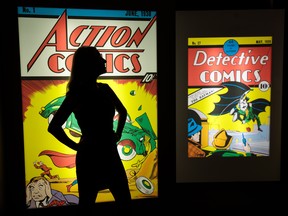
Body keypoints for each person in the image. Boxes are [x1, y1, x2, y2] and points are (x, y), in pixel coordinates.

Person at [48, 46, 131, 207]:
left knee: (89, 203)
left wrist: (79, 147)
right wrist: (117, 134)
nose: (104, 60)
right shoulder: (88, 92)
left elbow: (54, 127)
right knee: (119, 202)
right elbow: (54, 126)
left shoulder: (84, 92)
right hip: (103, 154)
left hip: (96, 154)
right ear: (90, 64)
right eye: (100, 58)